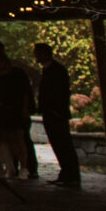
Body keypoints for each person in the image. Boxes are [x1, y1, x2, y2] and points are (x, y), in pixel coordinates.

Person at [0, 40, 35, 180]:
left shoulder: (18, 72)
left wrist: (25, 109)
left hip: (15, 110)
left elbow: (25, 92)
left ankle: (24, 168)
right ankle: (5, 168)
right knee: (0, 141)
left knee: (18, 140)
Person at [34, 43, 82, 187]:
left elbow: (60, 93)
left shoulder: (56, 70)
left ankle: (71, 176)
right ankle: (66, 174)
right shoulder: (49, 70)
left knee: (63, 145)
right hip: (51, 113)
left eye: (37, 53)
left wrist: (55, 110)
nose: (35, 56)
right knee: (58, 145)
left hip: (56, 114)